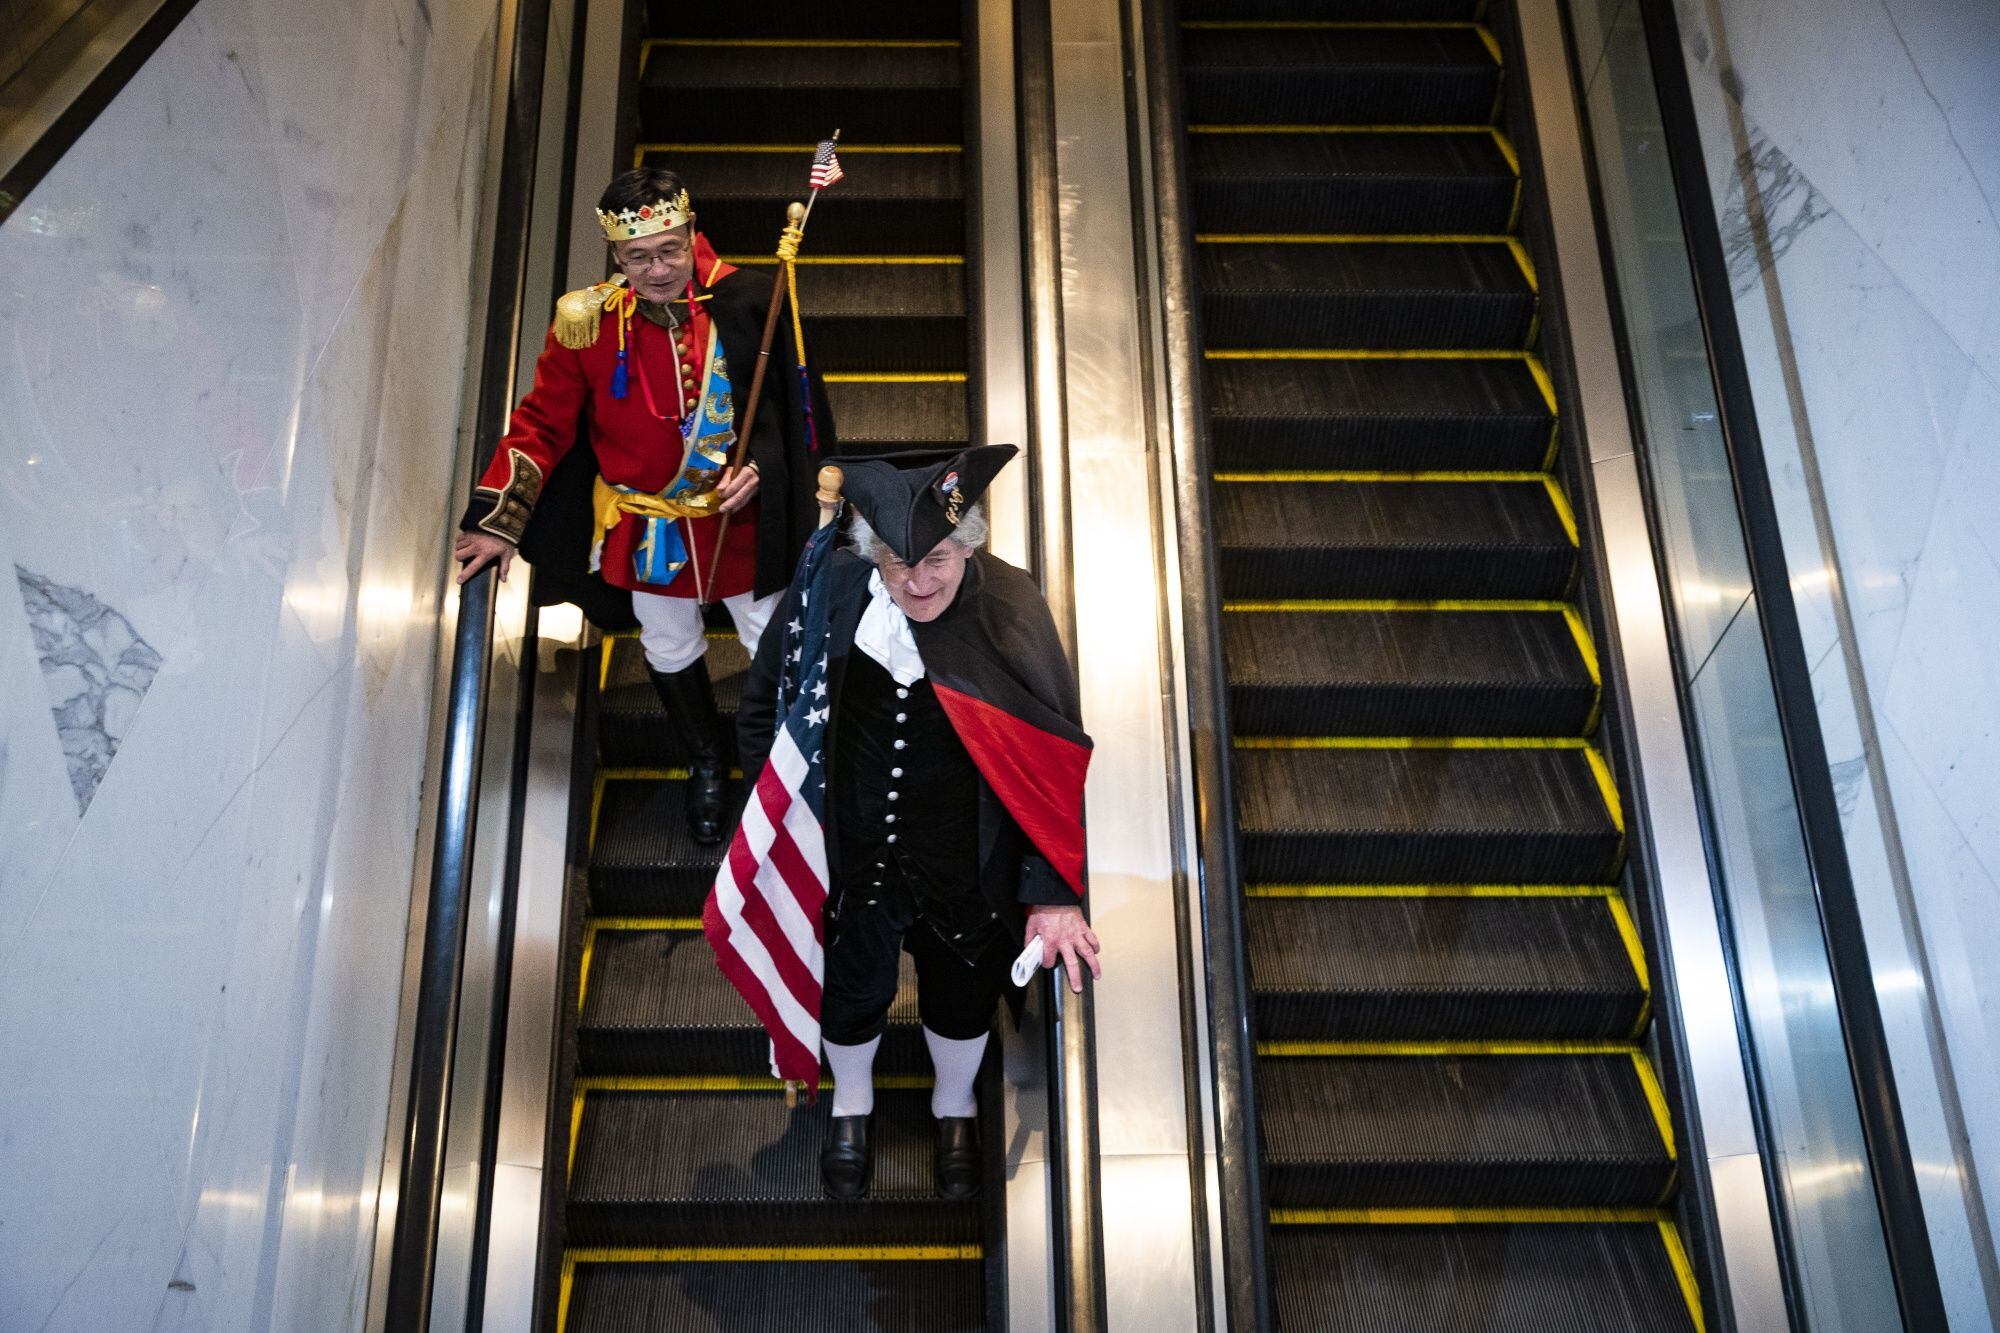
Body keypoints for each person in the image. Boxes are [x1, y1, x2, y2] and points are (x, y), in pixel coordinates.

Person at [737, 445, 1103, 1201]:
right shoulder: (828, 589)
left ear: (969, 543)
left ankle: (954, 1103)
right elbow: (764, 705)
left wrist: (1051, 890)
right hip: (852, 858)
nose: (916, 580)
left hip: (965, 865)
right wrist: (772, 823)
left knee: (960, 997)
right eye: (896, 562)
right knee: (851, 990)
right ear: (870, 552)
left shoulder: (1012, 607)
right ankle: (852, 1101)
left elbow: (1052, 758)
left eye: (936, 558)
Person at [453, 166, 830, 844]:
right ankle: (707, 760)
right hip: (649, 527)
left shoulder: (751, 298)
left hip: (738, 522)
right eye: (638, 256)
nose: (657, 269)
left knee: (773, 640)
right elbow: (541, 424)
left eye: (670, 250)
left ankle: (783, 768)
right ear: (615, 255)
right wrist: (499, 522)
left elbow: (795, 412)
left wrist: (766, 468)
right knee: (667, 642)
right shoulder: (586, 325)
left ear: (692, 234)